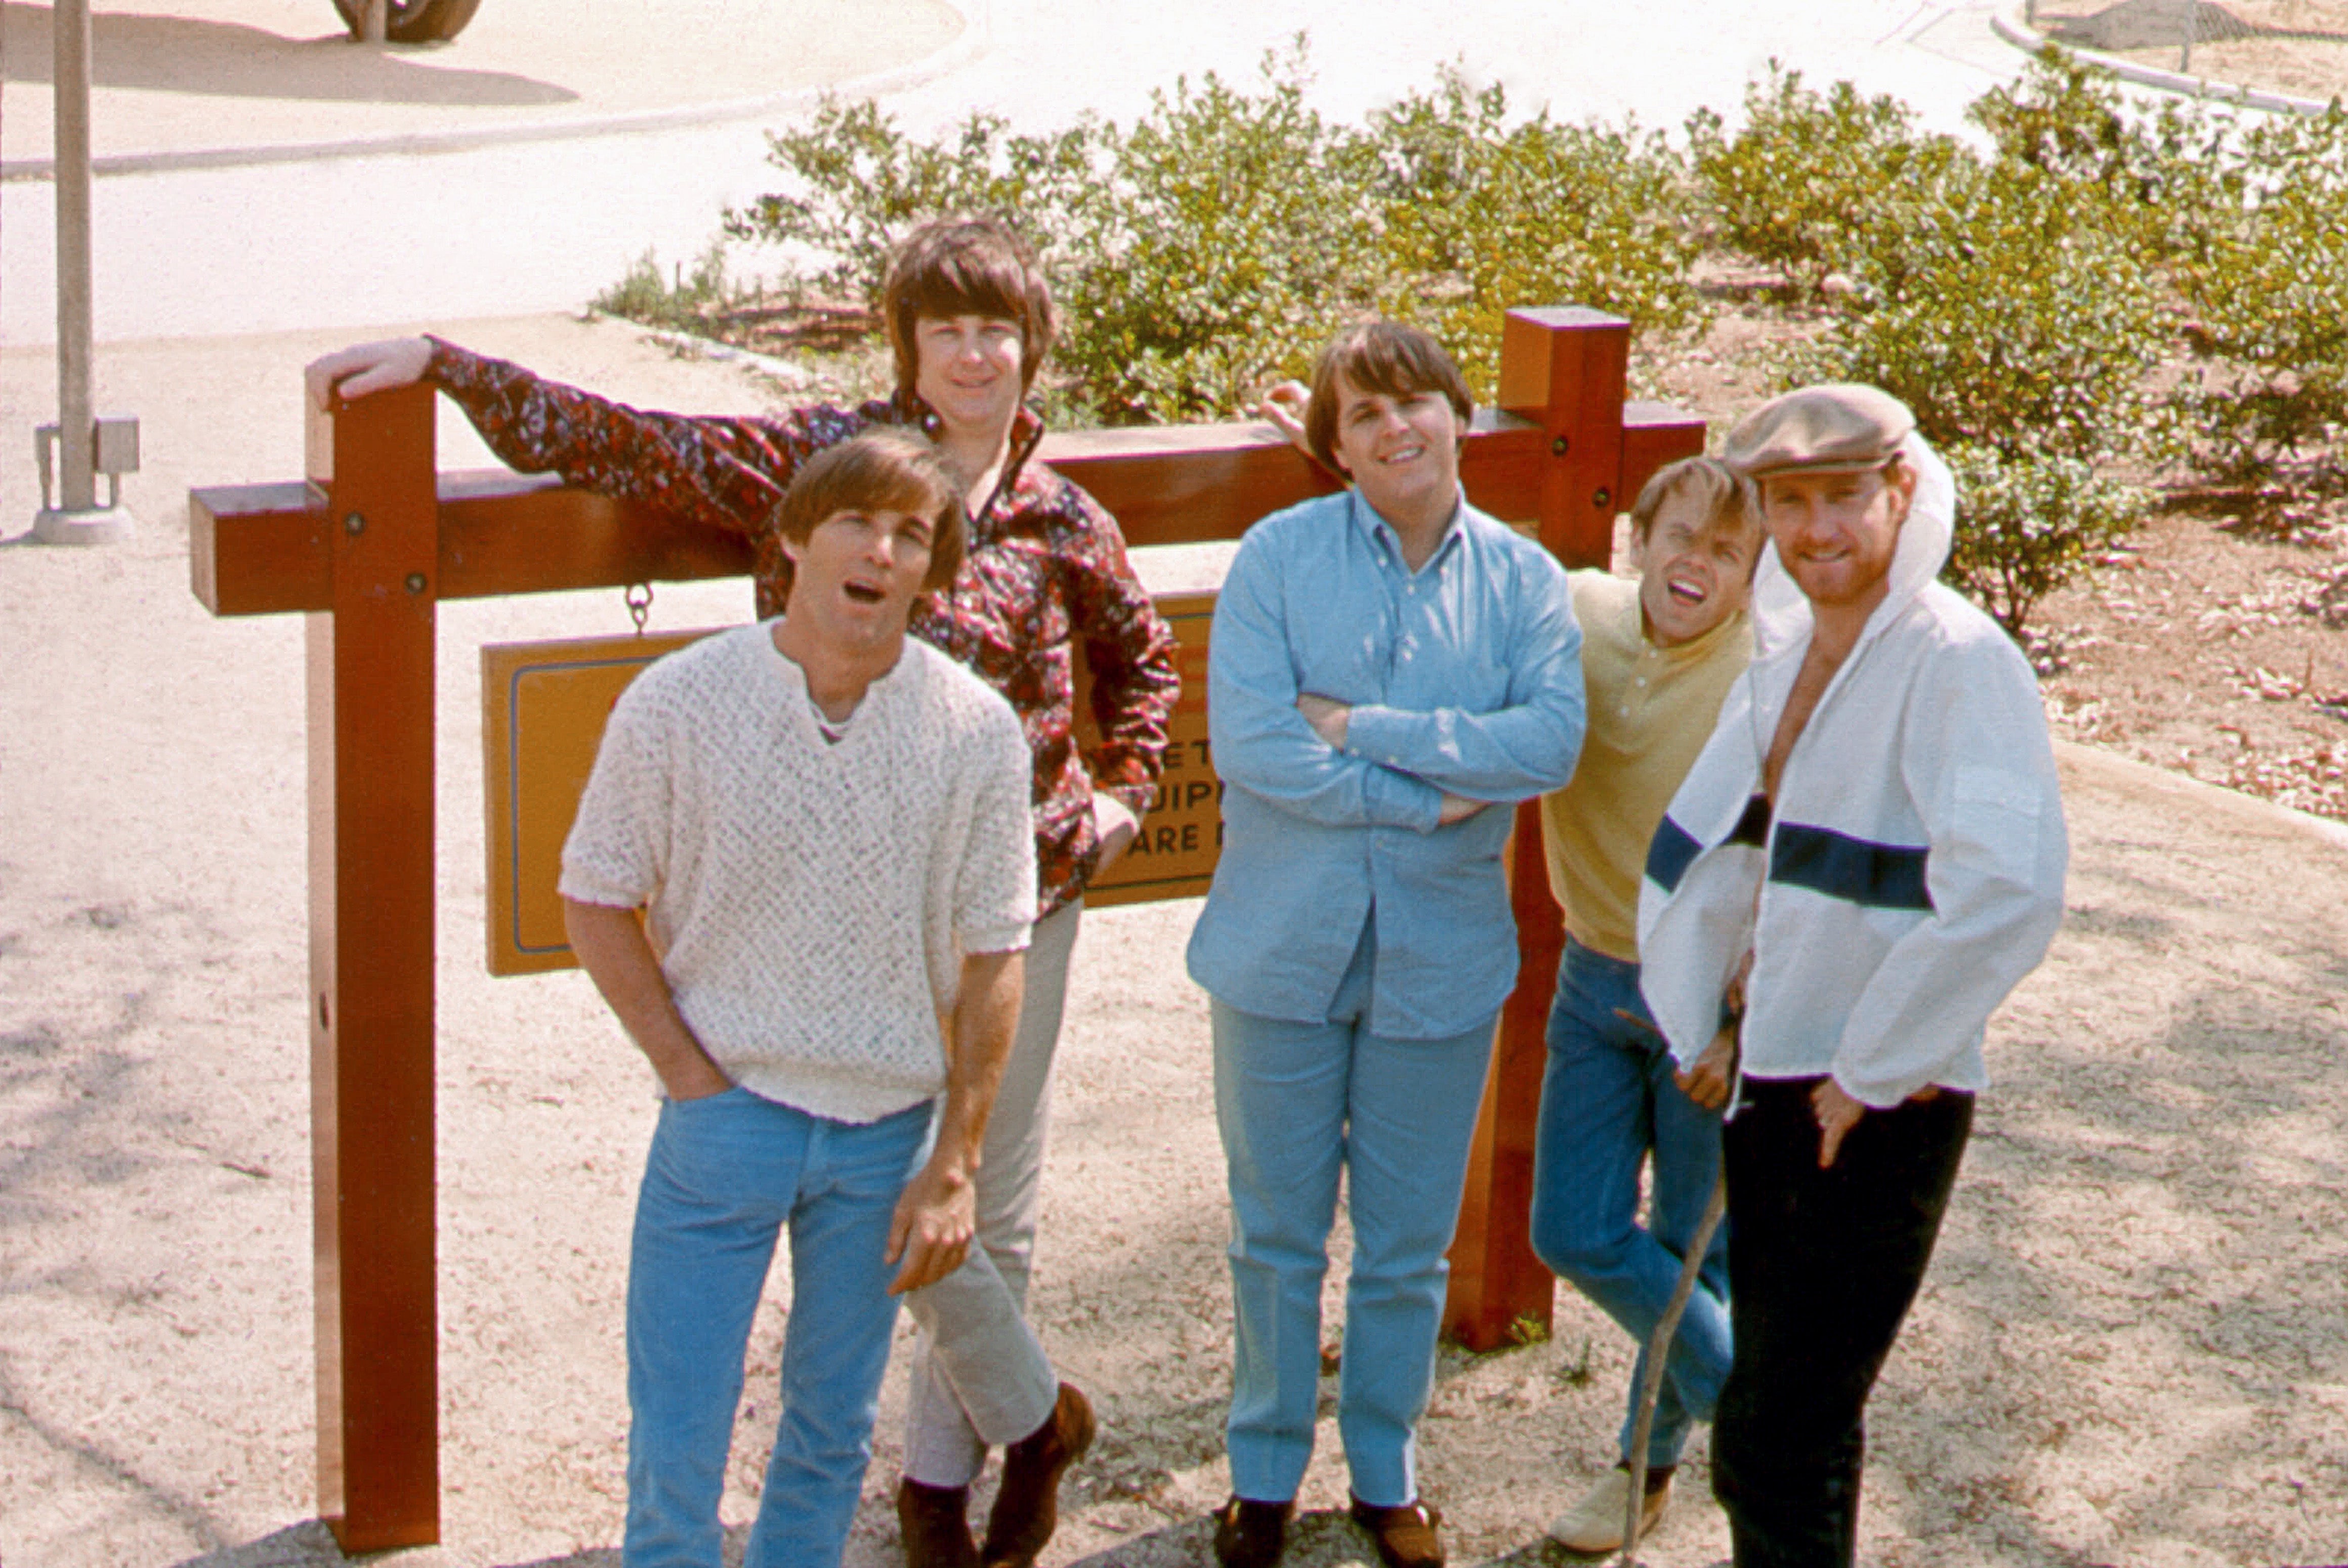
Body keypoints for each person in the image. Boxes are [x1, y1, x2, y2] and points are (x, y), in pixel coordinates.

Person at [308, 216, 1178, 1568]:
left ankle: (946, 1484)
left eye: (995, 326)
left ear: (1033, 345)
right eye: (943, 327)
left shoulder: (1067, 518)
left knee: (979, 1205)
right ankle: (1029, 1415)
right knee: (881, 1219)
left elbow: (1144, 665)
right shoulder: (827, 463)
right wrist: (452, 367)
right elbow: (633, 443)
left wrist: (1117, 794)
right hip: (831, 907)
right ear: (906, 346)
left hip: (1013, 895)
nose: (972, 352)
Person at [558, 431, 1036, 1567]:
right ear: (792, 541)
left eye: (910, 534)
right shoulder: (678, 702)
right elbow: (593, 895)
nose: (878, 551)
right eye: (854, 523)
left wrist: (955, 1158)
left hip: (882, 1139)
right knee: (676, 1439)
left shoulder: (975, 731)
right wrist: (690, 1076)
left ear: (933, 567)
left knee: (828, 1436)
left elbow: (994, 953)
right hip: (725, 1118)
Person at [1638, 385, 2068, 1568]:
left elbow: (2007, 891)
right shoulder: (1782, 653)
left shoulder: (1957, 660)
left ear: (1902, 493)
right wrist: (1708, 1010)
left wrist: (1868, 1069)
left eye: (1841, 498)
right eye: (1788, 503)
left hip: (1874, 1102)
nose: (1816, 529)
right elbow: (1745, 853)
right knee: (1789, 1433)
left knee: (1777, 1436)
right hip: (1772, 1074)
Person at [1190, 322, 1585, 1568]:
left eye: (1413, 401)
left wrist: (1363, 724)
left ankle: (1384, 1468)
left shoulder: (1525, 582)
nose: (1393, 427)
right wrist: (1428, 789)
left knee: (1407, 1241)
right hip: (1278, 953)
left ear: (1457, 414)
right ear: (1336, 448)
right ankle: (1260, 1472)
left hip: (1442, 961)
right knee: (1276, 1231)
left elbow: (1548, 745)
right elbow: (1256, 746)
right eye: (1363, 415)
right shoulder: (1274, 559)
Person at [1528, 457, 1763, 1554]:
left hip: (1701, 1005)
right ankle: (1764, 1414)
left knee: (1686, 1245)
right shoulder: (1579, 610)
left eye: (1725, 552)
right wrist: (1330, 444)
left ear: (1752, 576)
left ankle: (1644, 1470)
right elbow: (1463, 540)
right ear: (1638, 539)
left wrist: (1738, 1021)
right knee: (1571, 1229)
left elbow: (1793, 860)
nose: (1695, 564)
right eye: (1680, 536)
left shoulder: (1767, 678)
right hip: (1590, 977)